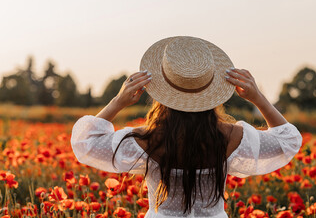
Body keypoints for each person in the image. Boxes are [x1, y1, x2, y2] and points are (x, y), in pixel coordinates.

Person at [71, 36, 303, 218]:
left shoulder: (148, 139)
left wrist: (118, 101)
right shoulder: (232, 136)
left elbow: (86, 143)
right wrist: (258, 98)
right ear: (211, 92)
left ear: (162, 91)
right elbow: (288, 140)